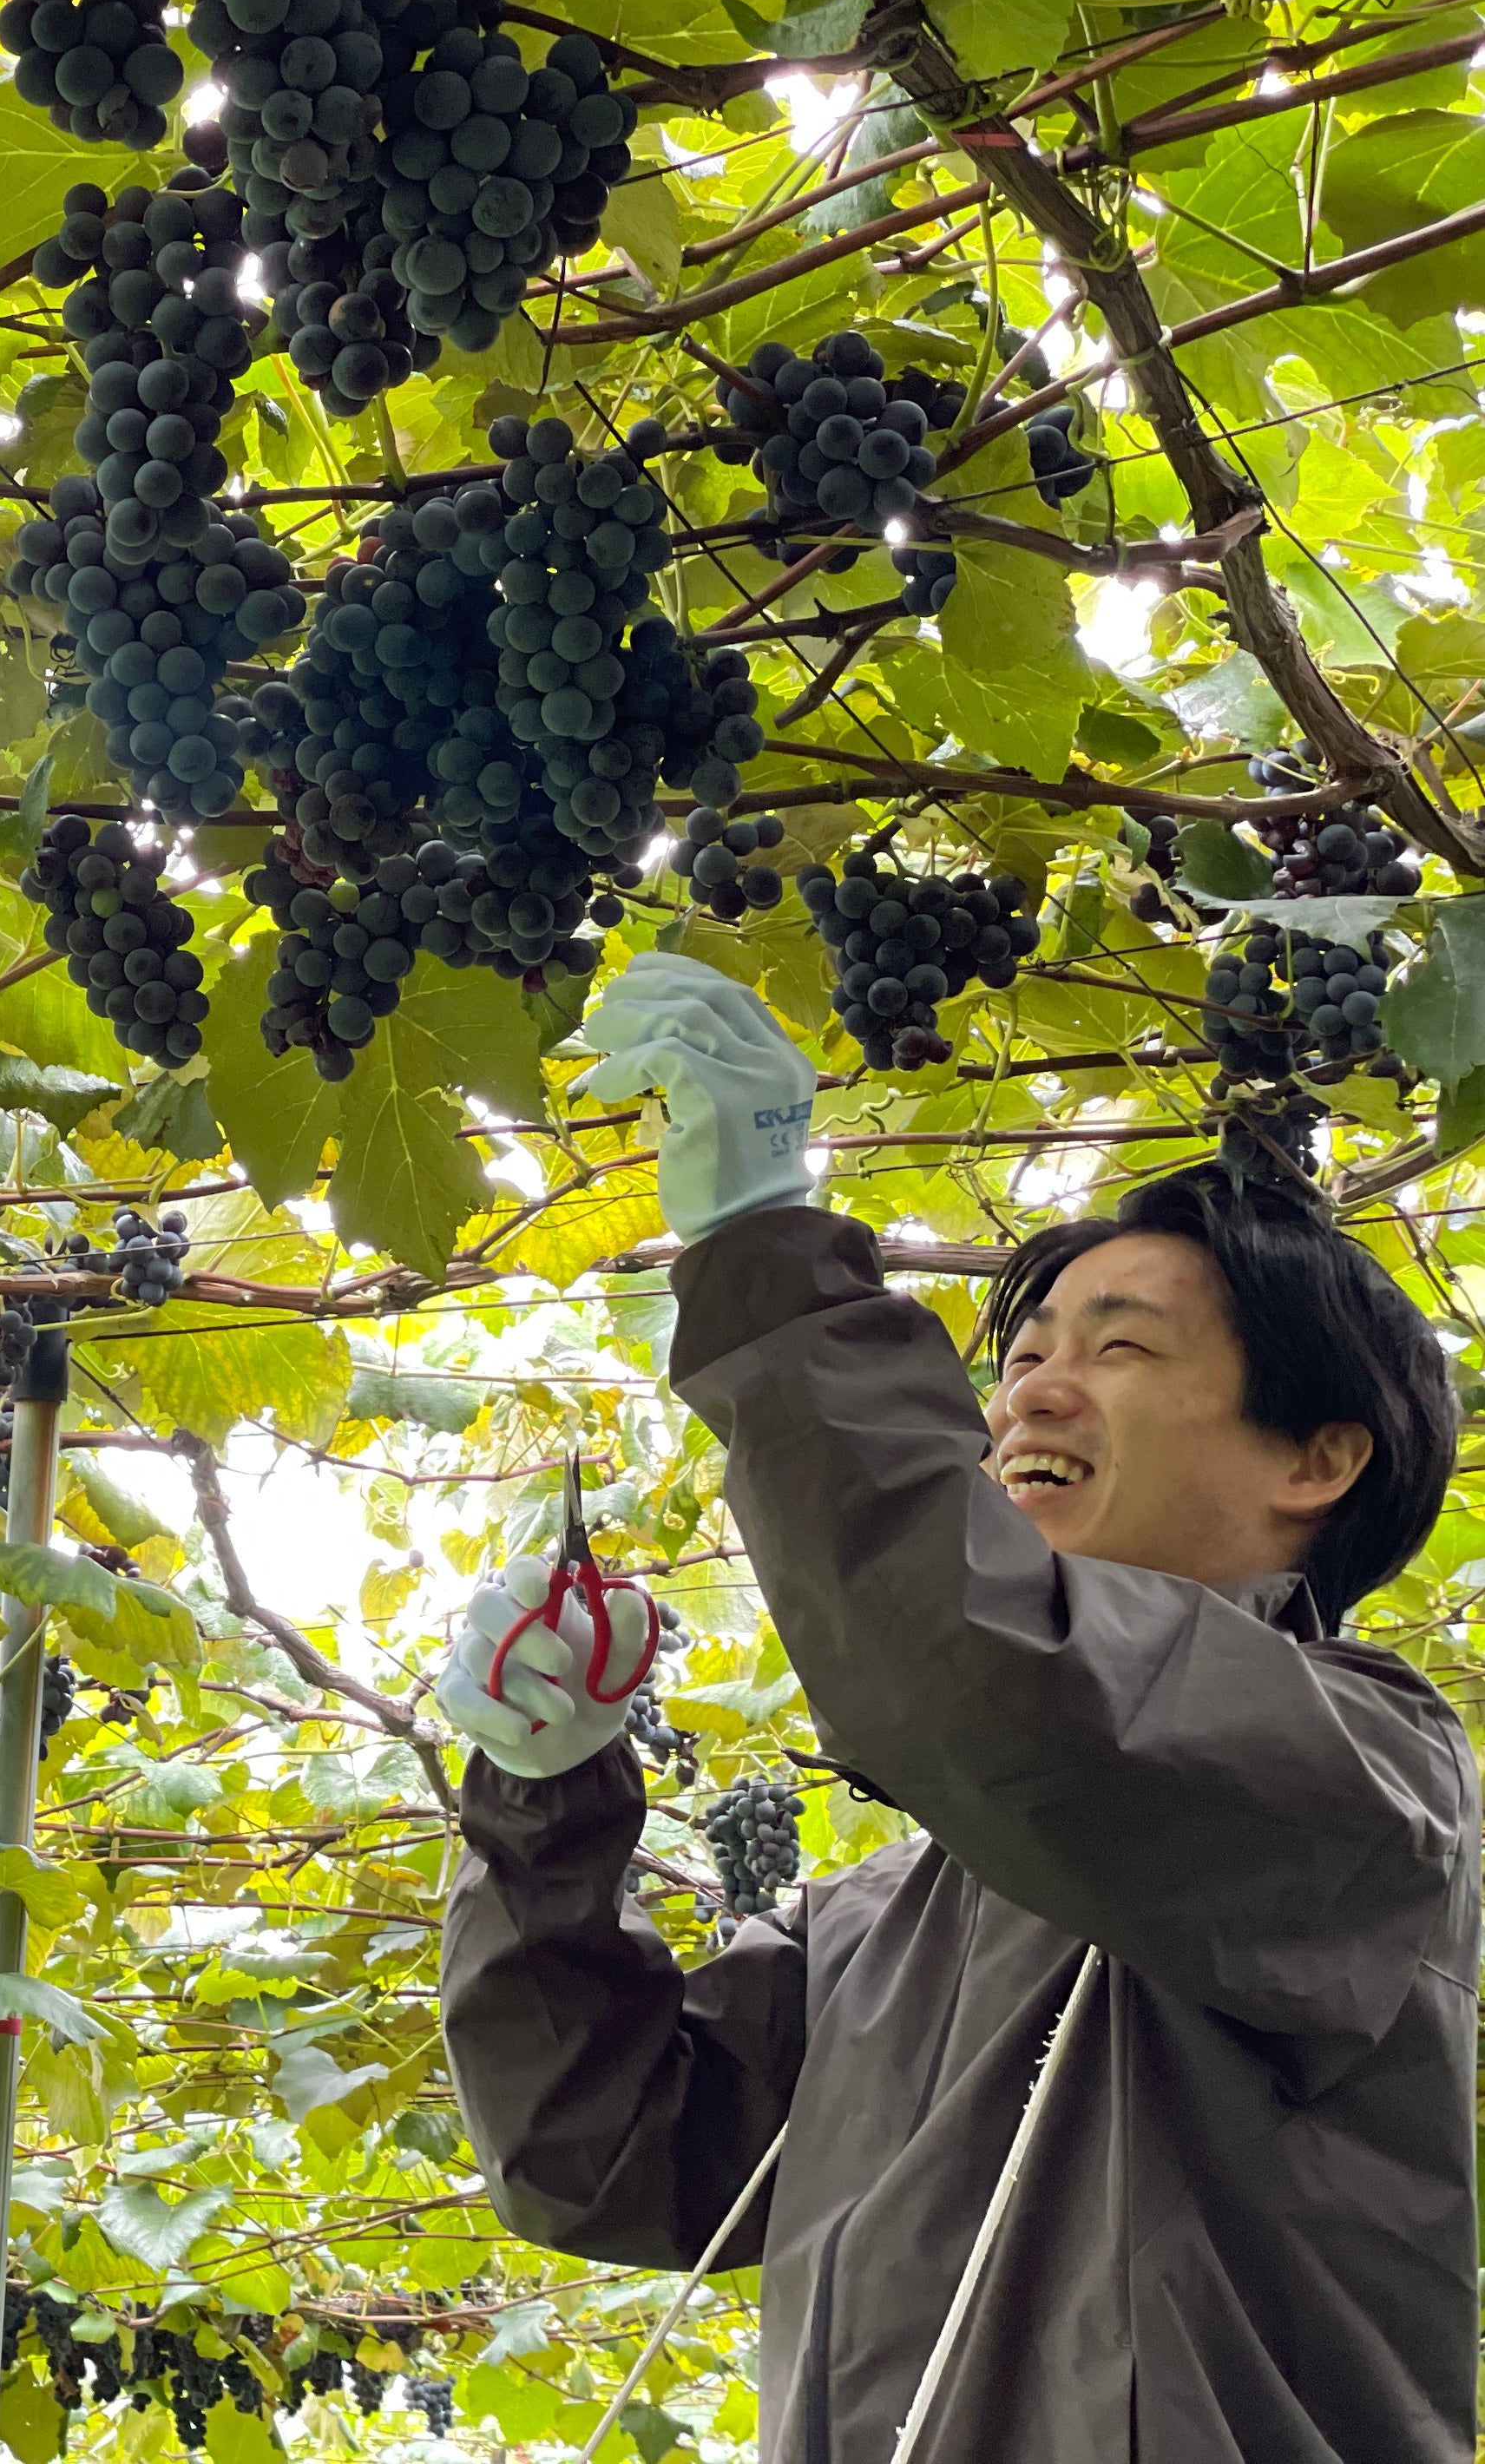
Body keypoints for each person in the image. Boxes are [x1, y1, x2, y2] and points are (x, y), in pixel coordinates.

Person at [435, 953, 1479, 2461]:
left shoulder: (1374, 1776)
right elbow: (596, 2152)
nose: (1032, 1395)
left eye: (1118, 1348)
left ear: (1316, 1460)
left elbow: (1005, 1681)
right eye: (1027, 1354)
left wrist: (766, 1254)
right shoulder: (881, 1918)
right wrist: (542, 1798)